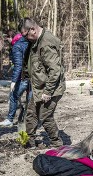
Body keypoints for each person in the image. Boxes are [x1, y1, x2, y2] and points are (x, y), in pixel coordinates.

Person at [20, 17, 65, 148]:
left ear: (32, 30)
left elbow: (55, 70)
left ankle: (57, 144)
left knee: (45, 116)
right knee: (31, 113)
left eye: (25, 35)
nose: (25, 38)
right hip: (38, 86)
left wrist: (48, 91)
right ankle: (30, 142)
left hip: (51, 88)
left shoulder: (45, 43)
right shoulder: (35, 41)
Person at [0, 28, 30, 127]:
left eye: (7, 39)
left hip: (23, 77)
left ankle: (10, 119)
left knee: (13, 96)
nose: (7, 42)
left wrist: (13, 81)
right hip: (33, 76)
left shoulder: (17, 45)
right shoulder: (27, 41)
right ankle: (29, 121)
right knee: (30, 99)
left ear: (10, 37)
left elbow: (19, 65)